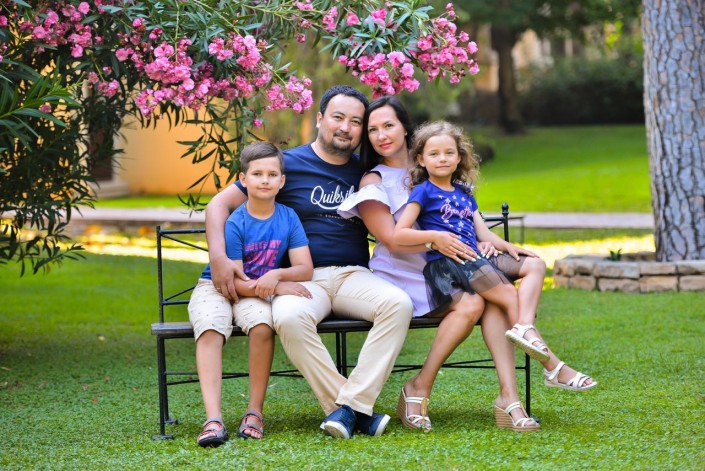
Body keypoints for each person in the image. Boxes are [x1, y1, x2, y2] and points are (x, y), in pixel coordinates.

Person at [204, 85, 413, 439]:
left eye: (356, 122)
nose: (345, 127)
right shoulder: (286, 166)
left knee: (398, 304)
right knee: (288, 317)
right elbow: (218, 205)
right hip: (302, 279)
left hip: (352, 275)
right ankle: (354, 411)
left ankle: (348, 408)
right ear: (319, 119)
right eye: (338, 117)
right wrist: (218, 257)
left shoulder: (366, 172)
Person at [338, 97, 539, 432]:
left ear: (405, 128)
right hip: (403, 273)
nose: (381, 135)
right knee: (475, 301)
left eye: (388, 125)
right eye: (372, 130)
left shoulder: (434, 163)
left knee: (492, 297)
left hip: (449, 265)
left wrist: (481, 240)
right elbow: (391, 240)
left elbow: (463, 219)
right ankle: (419, 386)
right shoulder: (374, 181)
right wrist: (436, 240)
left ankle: (509, 397)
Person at [394, 120, 597, 389]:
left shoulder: (464, 193)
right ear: (421, 159)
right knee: (508, 294)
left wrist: (508, 247)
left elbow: (483, 234)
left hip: (474, 259)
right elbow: (400, 233)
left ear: (459, 158)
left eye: (449, 153)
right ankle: (554, 368)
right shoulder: (423, 191)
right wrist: (434, 238)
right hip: (450, 263)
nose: (442, 159)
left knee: (535, 265)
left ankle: (524, 327)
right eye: (434, 154)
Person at [188, 142, 314, 447]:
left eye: (272, 174)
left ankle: (255, 412)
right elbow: (232, 282)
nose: (265, 180)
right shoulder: (235, 222)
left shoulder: (288, 217)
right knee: (210, 327)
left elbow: (305, 268)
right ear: (243, 179)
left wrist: (277, 275)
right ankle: (213, 419)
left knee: (262, 326)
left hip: (255, 291)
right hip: (217, 287)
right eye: (257, 174)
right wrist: (277, 287)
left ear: (282, 181)